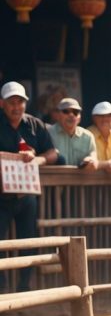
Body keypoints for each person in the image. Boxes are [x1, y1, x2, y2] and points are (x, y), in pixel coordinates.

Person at [0, 81, 57, 291]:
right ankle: (2, 291)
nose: (16, 107)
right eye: (11, 102)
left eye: (20, 102)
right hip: (1, 196)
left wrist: (37, 159)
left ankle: (24, 287)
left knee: (29, 241)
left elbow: (52, 152)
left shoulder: (35, 124)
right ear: (2, 103)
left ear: (26, 103)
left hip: (26, 195)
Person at [47, 97, 98, 170]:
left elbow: (93, 157)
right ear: (57, 115)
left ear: (79, 118)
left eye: (75, 112)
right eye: (66, 111)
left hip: (81, 177)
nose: (71, 115)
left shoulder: (88, 137)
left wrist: (90, 160)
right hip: (53, 176)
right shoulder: (47, 133)